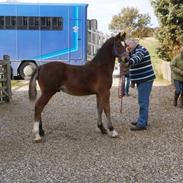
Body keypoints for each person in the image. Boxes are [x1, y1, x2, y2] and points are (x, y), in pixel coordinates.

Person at [125, 39, 156, 131]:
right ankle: (142, 120)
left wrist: (128, 62)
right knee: (142, 101)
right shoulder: (133, 51)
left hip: (145, 80)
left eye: (127, 45)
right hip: (141, 80)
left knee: (143, 101)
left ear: (132, 43)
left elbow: (136, 59)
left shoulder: (141, 50)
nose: (127, 48)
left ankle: (142, 124)